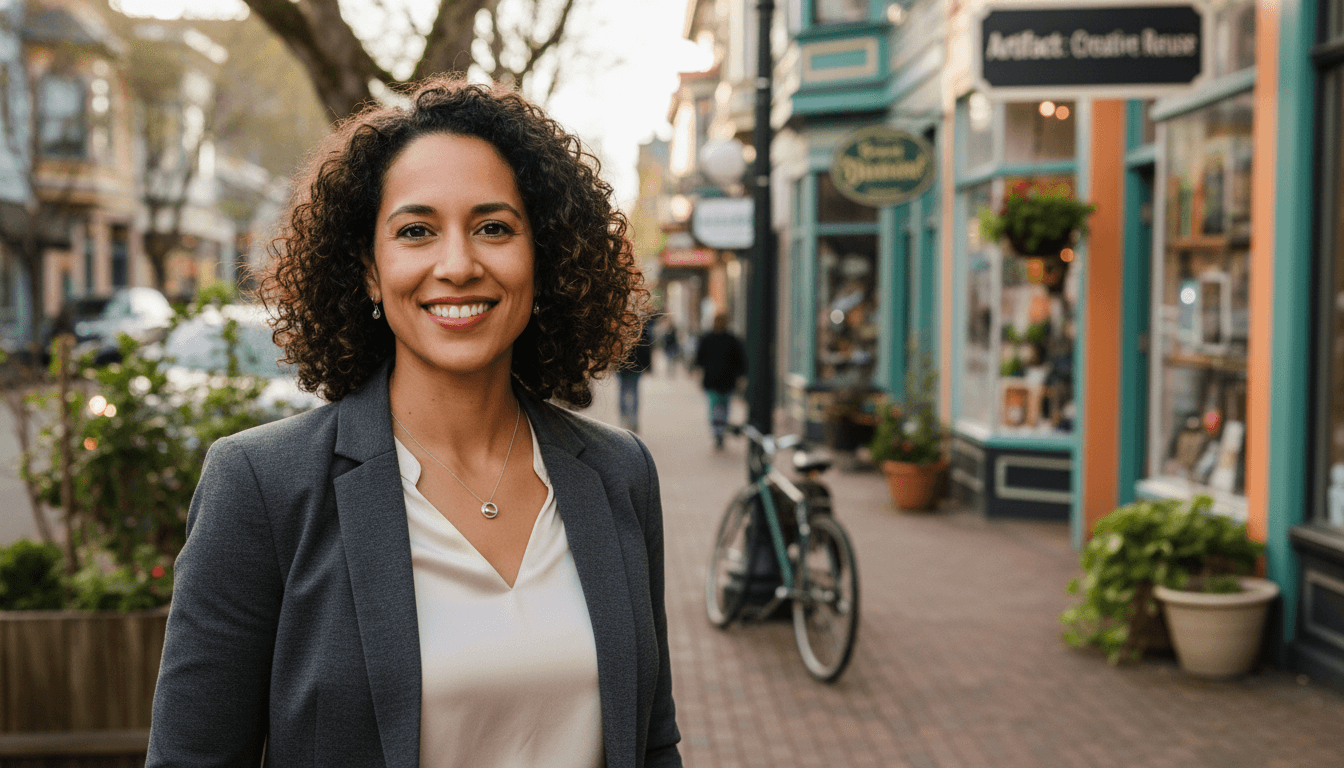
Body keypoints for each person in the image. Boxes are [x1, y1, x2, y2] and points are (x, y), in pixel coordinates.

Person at [147, 78, 682, 768]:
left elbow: (651, 741)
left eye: (494, 227)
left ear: (542, 259)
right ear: (370, 269)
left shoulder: (619, 473)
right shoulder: (262, 486)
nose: (457, 265)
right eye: (416, 231)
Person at [694, 313, 746, 449]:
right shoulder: (732, 339)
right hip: (728, 380)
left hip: (712, 379)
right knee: (725, 407)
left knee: (714, 406)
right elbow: (740, 360)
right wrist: (741, 376)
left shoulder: (707, 338)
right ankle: (721, 430)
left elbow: (699, 358)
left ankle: (717, 431)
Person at [619, 318, 653, 432]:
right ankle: (633, 419)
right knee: (633, 392)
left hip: (623, 368)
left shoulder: (620, 327)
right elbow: (647, 348)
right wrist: (648, 366)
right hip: (635, 367)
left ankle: (624, 418)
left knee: (623, 392)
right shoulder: (641, 329)